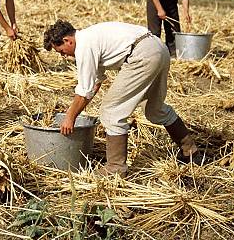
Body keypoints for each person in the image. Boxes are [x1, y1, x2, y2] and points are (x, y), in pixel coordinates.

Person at [43, 19, 198, 176]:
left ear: (67, 40)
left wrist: (70, 117)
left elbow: (84, 90)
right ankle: (189, 149)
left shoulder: (84, 46)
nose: (64, 56)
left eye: (61, 51)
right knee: (154, 109)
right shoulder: (91, 36)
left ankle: (116, 168)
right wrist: (76, 110)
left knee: (110, 111)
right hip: (158, 48)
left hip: (141, 55)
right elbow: (95, 83)